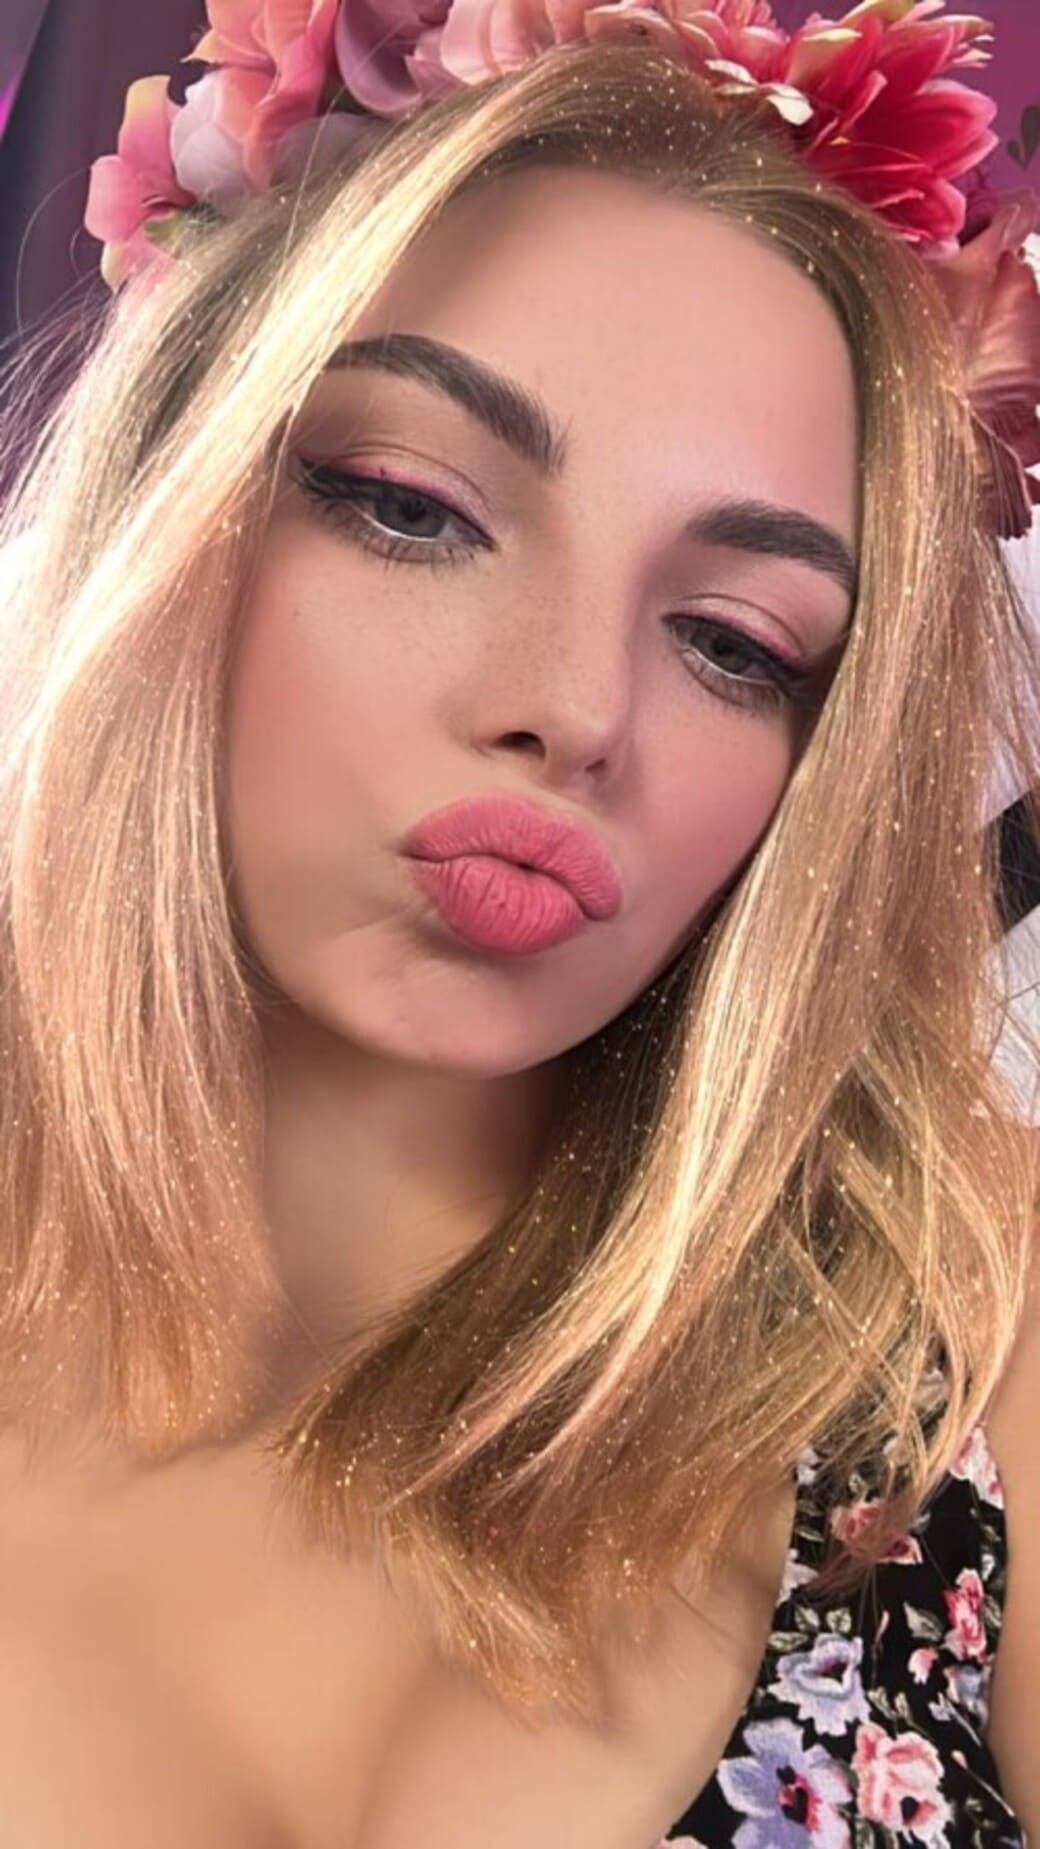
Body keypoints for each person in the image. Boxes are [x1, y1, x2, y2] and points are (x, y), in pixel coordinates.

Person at [0, 1, 1038, 1842]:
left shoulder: (970, 1317)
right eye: (412, 509)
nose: (579, 707)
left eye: (735, 642)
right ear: (174, 489)